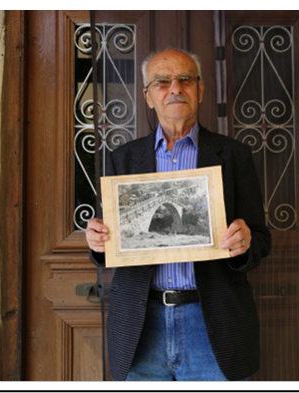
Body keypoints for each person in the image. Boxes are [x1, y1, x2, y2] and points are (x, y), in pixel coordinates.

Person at [85, 48, 272, 381]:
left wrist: (245, 242)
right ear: (148, 96)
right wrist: (97, 242)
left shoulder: (234, 155)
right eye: (162, 82)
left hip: (213, 322)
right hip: (141, 326)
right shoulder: (122, 160)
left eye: (185, 79)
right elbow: (109, 244)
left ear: (200, 88)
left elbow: (260, 238)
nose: (175, 89)